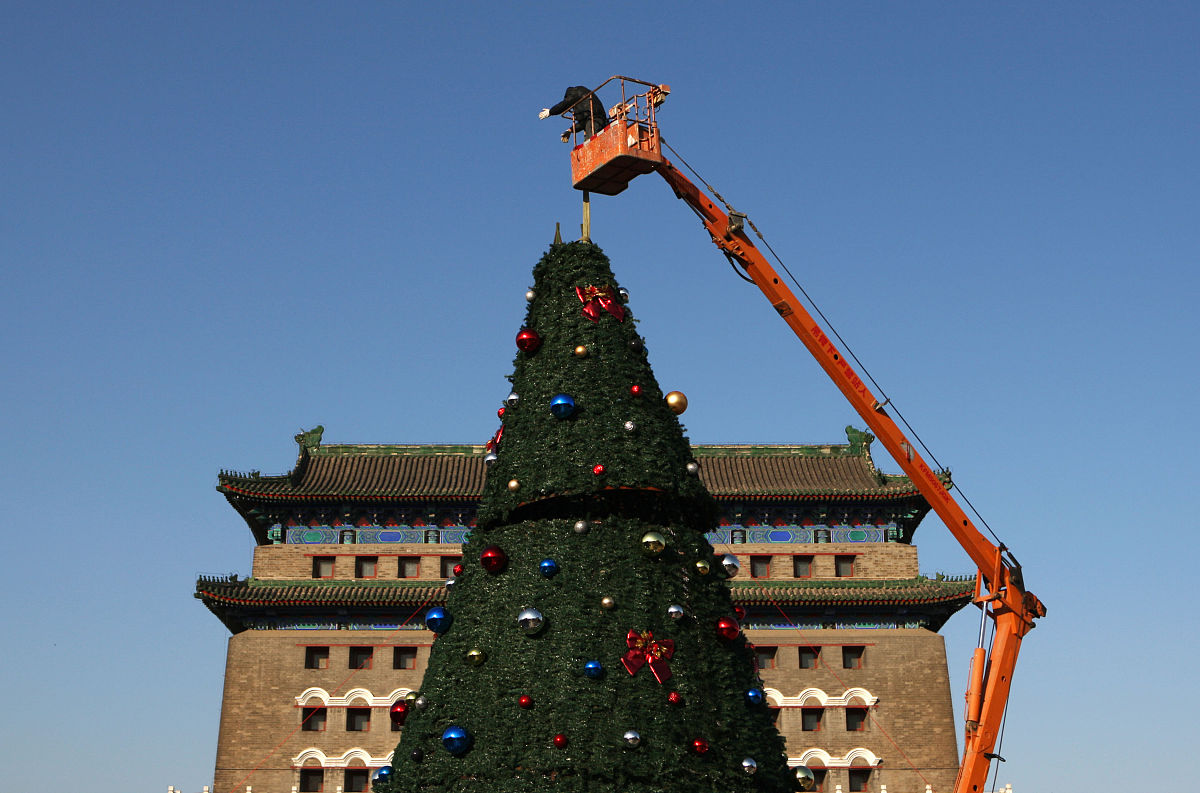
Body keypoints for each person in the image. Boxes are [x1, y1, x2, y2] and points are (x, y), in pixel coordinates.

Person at [538, 86, 608, 142]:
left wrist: (551, 112)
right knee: (591, 141)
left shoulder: (575, 92)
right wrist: (570, 130)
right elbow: (583, 122)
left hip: (595, 121)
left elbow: (565, 104)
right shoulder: (586, 107)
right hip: (599, 121)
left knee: (591, 143)